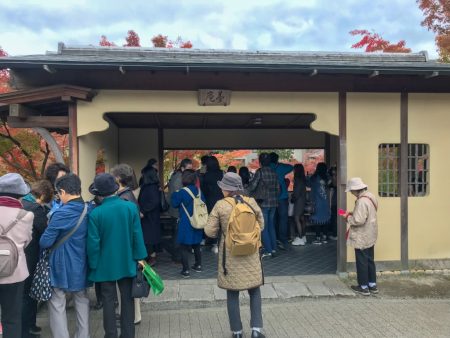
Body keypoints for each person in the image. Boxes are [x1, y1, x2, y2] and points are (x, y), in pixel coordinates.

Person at [205, 173, 265, 338]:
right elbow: (262, 225)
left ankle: (237, 332)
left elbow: (209, 232)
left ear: (226, 189)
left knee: (232, 293)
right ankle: (256, 330)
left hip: (230, 255)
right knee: (254, 290)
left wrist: (225, 232)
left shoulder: (220, 205)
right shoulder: (251, 202)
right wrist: (249, 235)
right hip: (251, 252)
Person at [87, 173, 147, 338]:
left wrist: (92, 265)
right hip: (127, 260)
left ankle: (110, 334)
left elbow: (93, 244)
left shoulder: (95, 214)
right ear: (115, 189)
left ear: (98, 193)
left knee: (108, 300)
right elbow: (137, 236)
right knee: (127, 299)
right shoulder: (130, 208)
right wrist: (140, 257)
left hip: (104, 264)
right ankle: (128, 334)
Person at [39, 173, 91, 338]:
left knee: (57, 303)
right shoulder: (89, 210)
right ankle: (83, 335)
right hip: (82, 262)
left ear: (62, 191)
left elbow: (45, 242)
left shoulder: (60, 214)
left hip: (60, 264)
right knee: (82, 300)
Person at [0, 173, 33, 338]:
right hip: (15, 273)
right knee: (12, 318)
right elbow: (27, 241)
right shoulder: (26, 216)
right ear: (20, 194)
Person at [110, 163, 142, 325]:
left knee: (128, 285)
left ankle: (131, 317)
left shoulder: (123, 197)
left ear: (118, 178)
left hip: (126, 247)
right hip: (130, 246)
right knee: (130, 283)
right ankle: (131, 315)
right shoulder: (129, 195)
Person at [21, 180, 53, 337]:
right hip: (30, 255)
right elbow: (45, 231)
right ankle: (26, 329)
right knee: (27, 293)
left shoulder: (21, 203)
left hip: (17, 254)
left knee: (22, 292)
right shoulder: (36, 209)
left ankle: (29, 325)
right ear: (43, 195)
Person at [340, 177, 379, 296]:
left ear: (356, 189)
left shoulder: (361, 201)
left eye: (351, 191)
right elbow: (367, 213)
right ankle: (372, 285)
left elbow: (358, 220)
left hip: (362, 234)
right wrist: (352, 212)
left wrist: (347, 217)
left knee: (361, 261)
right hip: (371, 232)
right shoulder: (370, 196)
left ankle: (363, 287)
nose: (351, 193)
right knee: (370, 259)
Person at [170, 170, 204, 278]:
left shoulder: (181, 192)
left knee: (184, 246)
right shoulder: (199, 191)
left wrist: (175, 193)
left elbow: (174, 204)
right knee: (197, 244)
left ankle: (186, 270)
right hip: (198, 220)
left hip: (185, 222)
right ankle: (198, 265)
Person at [247, 153, 280, 258]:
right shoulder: (274, 173)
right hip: (274, 203)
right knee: (271, 226)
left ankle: (269, 250)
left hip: (263, 202)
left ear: (260, 162)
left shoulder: (260, 172)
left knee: (263, 227)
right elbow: (278, 188)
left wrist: (245, 189)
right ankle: (274, 248)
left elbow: (252, 186)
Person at [138, 159, 162, 265]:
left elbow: (154, 201)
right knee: (149, 238)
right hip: (150, 216)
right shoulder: (150, 186)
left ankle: (151, 258)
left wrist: (143, 211)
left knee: (149, 238)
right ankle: (150, 257)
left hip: (149, 217)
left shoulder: (151, 187)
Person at [269, 152, 294, 251]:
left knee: (272, 218)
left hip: (271, 197)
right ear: (277, 159)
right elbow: (291, 167)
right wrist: (279, 164)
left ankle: (274, 238)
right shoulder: (281, 167)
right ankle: (283, 239)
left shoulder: (266, 168)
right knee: (283, 219)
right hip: (282, 196)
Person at [201, 156, 224, 253]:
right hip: (221, 200)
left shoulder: (206, 175)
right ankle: (219, 244)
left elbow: (203, 189)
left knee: (212, 221)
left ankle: (211, 241)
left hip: (210, 200)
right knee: (221, 222)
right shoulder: (222, 173)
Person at [308, 162, 331, 245]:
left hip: (316, 202)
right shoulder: (327, 178)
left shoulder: (314, 178)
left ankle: (318, 238)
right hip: (326, 202)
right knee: (325, 219)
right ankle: (324, 237)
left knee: (316, 219)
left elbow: (308, 184)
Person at [291, 164, 307, 246]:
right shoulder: (303, 179)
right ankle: (303, 236)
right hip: (303, 200)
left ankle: (300, 238)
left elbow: (296, 193)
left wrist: (292, 198)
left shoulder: (297, 180)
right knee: (302, 218)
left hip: (298, 201)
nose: (293, 171)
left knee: (297, 218)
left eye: (294, 169)